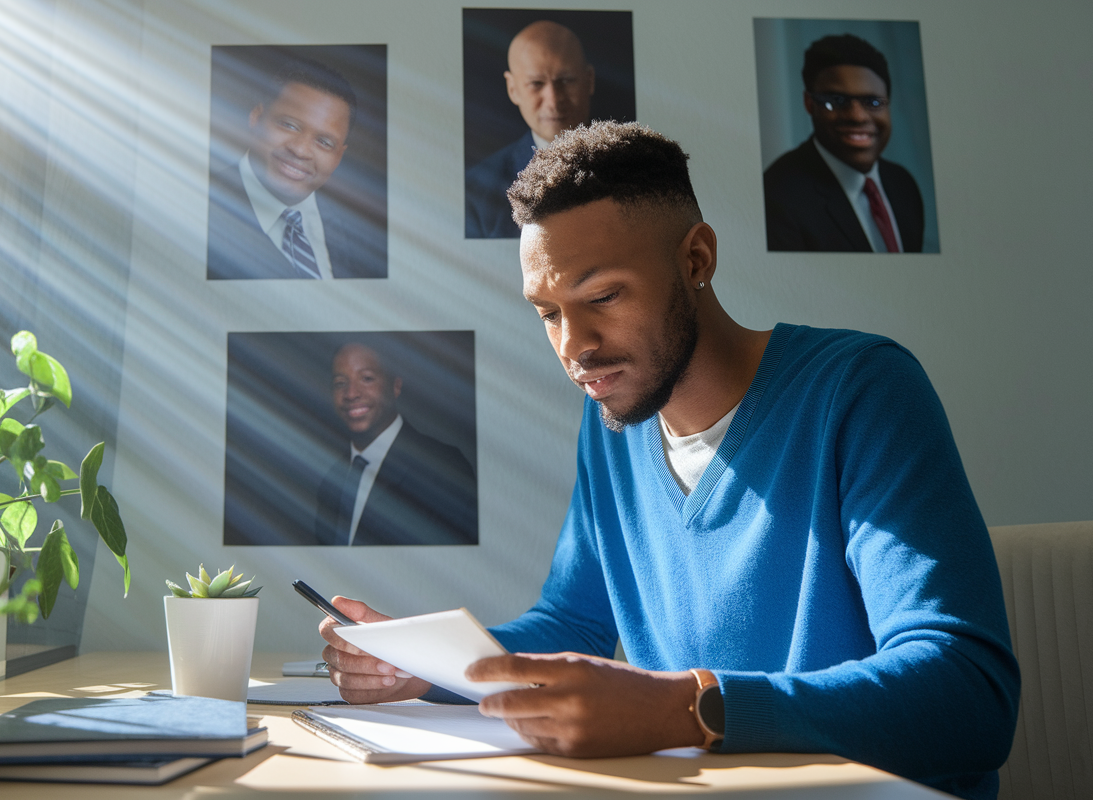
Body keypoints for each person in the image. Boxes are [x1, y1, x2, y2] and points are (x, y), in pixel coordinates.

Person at [320, 122, 1019, 800]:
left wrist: (685, 710)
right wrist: (419, 666)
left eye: (602, 297)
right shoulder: (612, 425)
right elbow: (572, 624)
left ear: (696, 260)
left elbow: (968, 695)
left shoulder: (860, 390)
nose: (575, 347)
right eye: (549, 312)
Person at [207, 59, 384, 279]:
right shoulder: (200, 209)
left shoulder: (365, 240)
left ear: (339, 156)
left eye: (325, 142)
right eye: (289, 125)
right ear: (256, 118)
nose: (300, 151)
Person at [763, 34, 925, 252]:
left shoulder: (903, 185)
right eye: (836, 101)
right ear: (809, 104)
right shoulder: (778, 197)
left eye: (873, 102)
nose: (857, 116)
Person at [314, 341, 478, 546]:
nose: (351, 393)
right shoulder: (332, 480)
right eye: (340, 383)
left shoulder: (443, 467)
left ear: (396, 386)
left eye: (366, 378)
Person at [465, 20, 595, 239]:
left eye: (566, 80)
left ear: (589, 80)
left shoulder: (638, 173)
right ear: (512, 88)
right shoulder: (477, 190)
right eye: (536, 83)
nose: (553, 101)